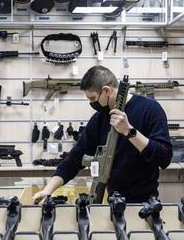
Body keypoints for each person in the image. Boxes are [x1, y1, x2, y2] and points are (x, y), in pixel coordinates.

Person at [33, 66, 172, 204]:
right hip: (113, 201)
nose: (91, 103)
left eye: (93, 98)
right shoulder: (99, 119)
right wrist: (48, 190)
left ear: (106, 91)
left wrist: (129, 131)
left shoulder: (150, 109)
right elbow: (74, 159)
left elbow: (164, 158)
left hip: (144, 204)